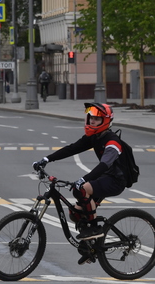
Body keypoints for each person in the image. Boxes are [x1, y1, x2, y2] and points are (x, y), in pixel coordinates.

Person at [32, 103, 127, 243]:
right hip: (105, 176)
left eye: (96, 119)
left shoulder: (112, 142)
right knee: (76, 213)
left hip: (116, 180)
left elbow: (104, 164)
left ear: (105, 121)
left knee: (81, 189)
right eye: (90, 118)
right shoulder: (95, 137)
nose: (92, 121)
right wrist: (46, 159)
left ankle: (94, 229)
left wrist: (83, 179)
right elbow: (72, 149)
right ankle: (91, 247)